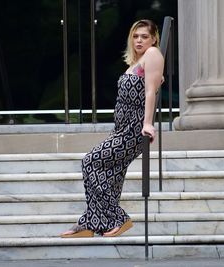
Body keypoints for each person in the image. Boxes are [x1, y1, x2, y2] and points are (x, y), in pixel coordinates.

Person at [60, 19, 164, 238]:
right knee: (111, 173)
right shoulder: (139, 61)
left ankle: (117, 217)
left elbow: (150, 93)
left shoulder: (153, 54)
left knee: (90, 161)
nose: (139, 40)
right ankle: (91, 222)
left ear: (154, 38)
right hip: (122, 128)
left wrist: (147, 124)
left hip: (134, 129)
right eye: (135, 36)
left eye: (144, 36)